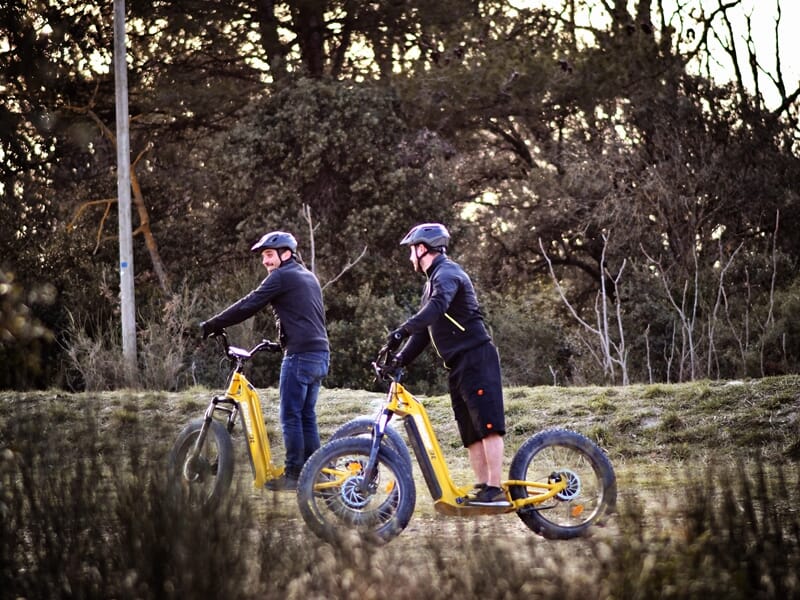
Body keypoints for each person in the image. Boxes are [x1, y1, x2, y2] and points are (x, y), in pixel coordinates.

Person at [386, 223, 509, 506]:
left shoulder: (448, 273)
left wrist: (400, 329)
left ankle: (494, 488)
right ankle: (483, 488)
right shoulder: (431, 283)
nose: (409, 259)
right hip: (457, 364)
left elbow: (438, 306)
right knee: (470, 430)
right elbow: (423, 333)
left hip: (476, 357)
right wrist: (398, 359)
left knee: (488, 425)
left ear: (422, 249)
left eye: (411, 252)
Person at [200, 231, 330, 491]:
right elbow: (303, 315)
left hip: (300, 356)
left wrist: (212, 324)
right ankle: (317, 471)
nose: (265, 262)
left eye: (269, 255)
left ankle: (294, 473)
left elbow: (249, 304)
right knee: (306, 416)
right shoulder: (307, 276)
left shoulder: (282, 276)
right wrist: (281, 343)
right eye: (264, 257)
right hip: (320, 353)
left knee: (290, 416)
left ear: (285, 254)